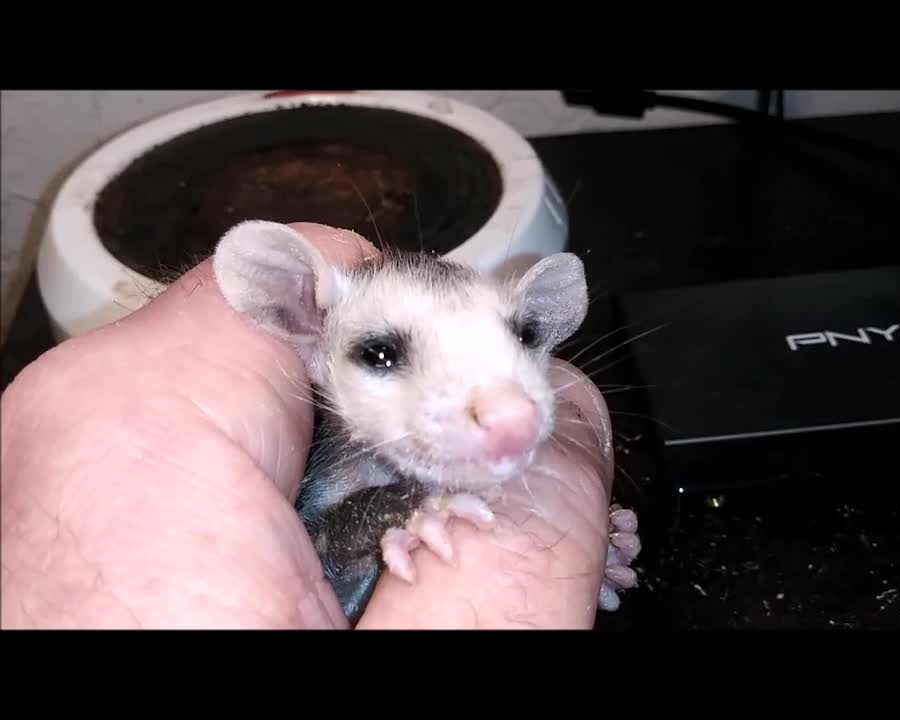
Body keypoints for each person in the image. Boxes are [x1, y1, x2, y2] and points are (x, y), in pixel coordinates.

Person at [0, 223, 615, 629]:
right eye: (381, 355)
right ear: (309, 334)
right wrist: (393, 509)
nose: (511, 412)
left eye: (523, 336)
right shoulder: (284, 478)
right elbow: (323, 551)